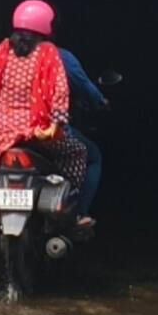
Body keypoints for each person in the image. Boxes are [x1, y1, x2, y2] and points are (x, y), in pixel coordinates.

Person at [0, 0, 89, 230]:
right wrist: (55, 126)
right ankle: (68, 210)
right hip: (37, 132)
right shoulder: (48, 52)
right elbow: (59, 90)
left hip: (1, 134)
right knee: (77, 152)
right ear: (47, 26)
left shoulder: (2, 51)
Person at [58, 44, 107, 222]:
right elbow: (85, 86)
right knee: (91, 156)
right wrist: (100, 102)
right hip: (48, 131)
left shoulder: (6, 54)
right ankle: (78, 212)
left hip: (10, 132)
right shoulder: (58, 56)